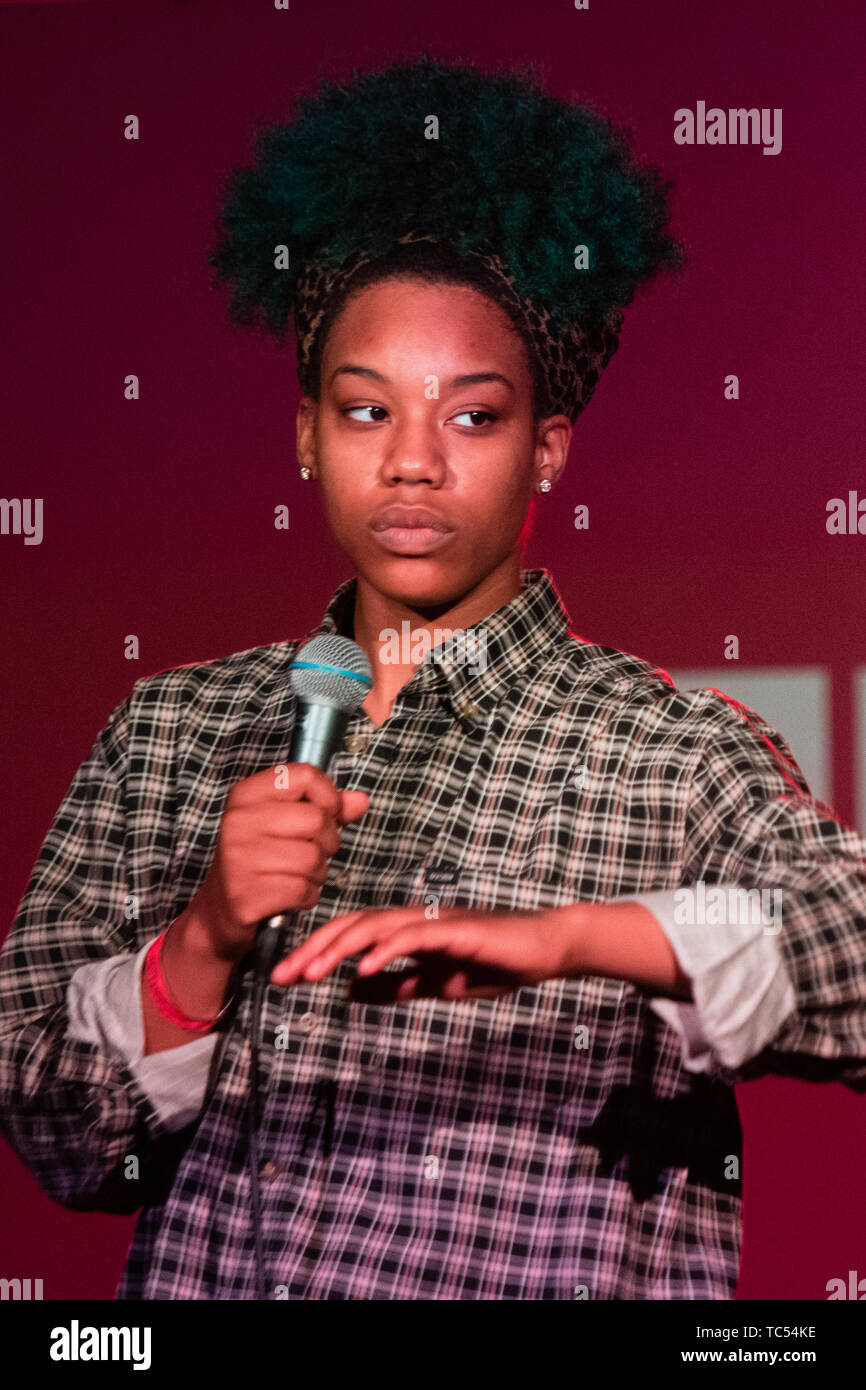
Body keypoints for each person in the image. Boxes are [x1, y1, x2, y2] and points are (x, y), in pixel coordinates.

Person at [2, 54, 866, 1301]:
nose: (412, 463)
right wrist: (200, 942)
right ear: (304, 432)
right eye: (364, 412)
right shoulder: (172, 731)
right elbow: (51, 1132)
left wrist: (567, 940)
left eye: (470, 416)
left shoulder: (669, 750)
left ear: (546, 448)